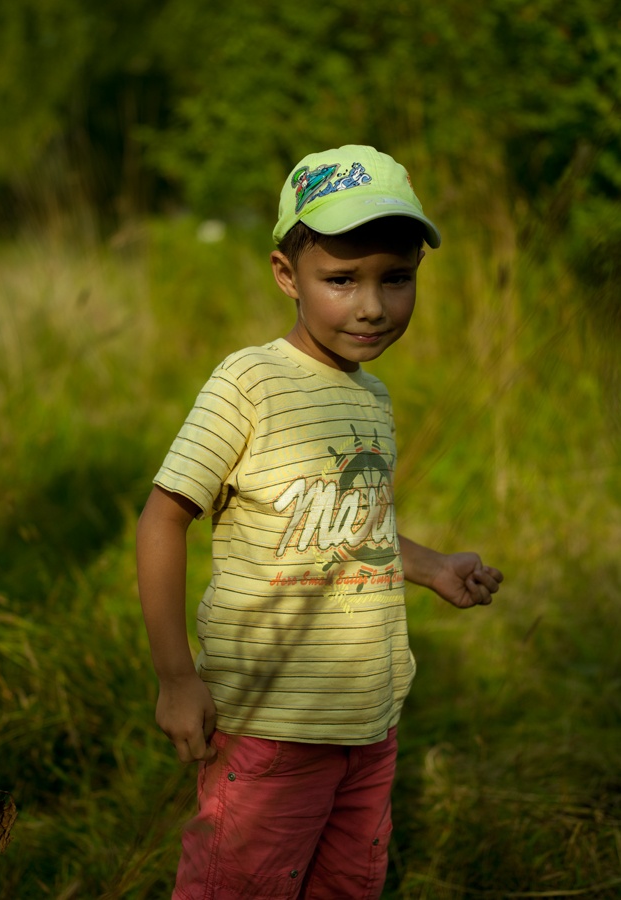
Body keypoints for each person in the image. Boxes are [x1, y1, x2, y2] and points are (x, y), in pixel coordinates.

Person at [137, 144, 503, 899]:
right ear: (286, 275)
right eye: (341, 280)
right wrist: (176, 678)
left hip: (368, 725)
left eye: (395, 278)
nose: (371, 306)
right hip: (271, 726)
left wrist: (433, 567)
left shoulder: (372, 397)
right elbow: (162, 520)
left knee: (346, 886)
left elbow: (352, 530)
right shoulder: (250, 382)